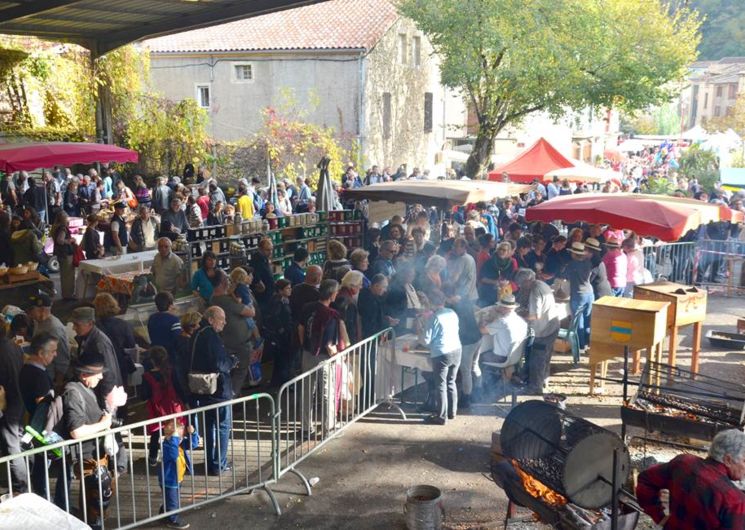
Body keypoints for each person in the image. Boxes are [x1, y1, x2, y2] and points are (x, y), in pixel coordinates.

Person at [636, 429, 745, 529]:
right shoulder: (734, 500)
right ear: (728, 460)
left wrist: (660, 518)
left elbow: (645, 481)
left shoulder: (683, 463)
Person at [61, 352, 115, 529]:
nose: (101, 376)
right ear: (83, 374)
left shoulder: (85, 389)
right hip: (87, 458)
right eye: (96, 373)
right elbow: (77, 431)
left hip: (95, 456)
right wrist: (103, 424)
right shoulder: (73, 392)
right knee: (94, 505)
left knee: (97, 503)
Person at [298, 280, 347, 437]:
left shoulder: (307, 308)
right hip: (324, 357)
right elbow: (329, 343)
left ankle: (306, 427)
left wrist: (305, 345)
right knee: (327, 391)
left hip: (307, 353)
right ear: (332, 294)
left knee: (307, 390)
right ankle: (328, 427)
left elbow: (300, 327)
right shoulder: (332, 315)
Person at [189, 306, 235, 475]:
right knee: (222, 426)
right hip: (218, 390)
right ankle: (219, 464)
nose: (224, 322)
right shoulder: (211, 337)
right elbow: (220, 364)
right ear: (210, 319)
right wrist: (231, 362)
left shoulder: (197, 334)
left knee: (209, 427)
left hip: (202, 389)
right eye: (221, 318)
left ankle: (211, 462)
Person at [418, 289, 461, 426]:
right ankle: (452, 412)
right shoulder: (452, 313)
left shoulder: (434, 317)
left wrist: (420, 333)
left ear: (431, 303)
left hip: (442, 353)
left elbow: (425, 340)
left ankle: (441, 417)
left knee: (440, 385)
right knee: (451, 382)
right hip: (456, 349)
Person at [212, 269, 257, 394]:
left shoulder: (214, 299)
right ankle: (231, 397)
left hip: (226, 342)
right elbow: (251, 312)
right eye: (226, 278)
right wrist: (249, 302)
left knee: (230, 370)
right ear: (223, 282)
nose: (229, 281)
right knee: (240, 371)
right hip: (239, 344)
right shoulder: (225, 301)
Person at [514, 269, 559, 393]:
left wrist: (518, 315)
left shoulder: (535, 291)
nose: (521, 287)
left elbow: (535, 315)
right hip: (552, 326)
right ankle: (544, 381)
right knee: (545, 357)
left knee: (537, 359)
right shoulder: (541, 283)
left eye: (522, 284)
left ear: (528, 281)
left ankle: (535, 388)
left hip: (544, 329)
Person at [142, 346, 185, 468]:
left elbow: (144, 395)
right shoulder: (171, 372)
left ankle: (153, 457)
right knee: (174, 432)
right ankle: (175, 455)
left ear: (152, 360)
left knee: (155, 433)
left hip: (156, 408)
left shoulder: (147, 376)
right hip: (172, 407)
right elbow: (179, 388)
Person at [158, 419, 199, 529]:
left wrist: (193, 433)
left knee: (171, 499)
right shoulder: (168, 445)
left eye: (181, 437)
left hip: (177, 478)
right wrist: (175, 438)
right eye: (178, 437)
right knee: (173, 501)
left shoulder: (178, 444)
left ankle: (164, 514)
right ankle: (173, 520)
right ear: (169, 437)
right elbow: (173, 455)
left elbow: (193, 444)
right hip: (169, 479)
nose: (181, 439)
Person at [0, 324, 26, 493]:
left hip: (7, 402)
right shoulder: (14, 347)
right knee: (14, 442)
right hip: (18, 399)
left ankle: (21, 486)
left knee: (12, 445)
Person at [27, 292, 70, 390]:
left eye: (31, 310)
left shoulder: (54, 329)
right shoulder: (39, 321)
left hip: (48, 375)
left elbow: (62, 359)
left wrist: (58, 384)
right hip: (38, 367)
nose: (29, 313)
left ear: (42, 311)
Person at [93, 293, 136, 385]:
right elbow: (131, 345)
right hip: (121, 364)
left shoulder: (94, 327)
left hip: (101, 366)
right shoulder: (124, 325)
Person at [563, 242, 594, 352]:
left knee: (578, 320)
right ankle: (587, 343)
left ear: (574, 254)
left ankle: (580, 346)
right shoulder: (588, 263)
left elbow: (564, 276)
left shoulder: (572, 265)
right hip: (589, 293)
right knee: (587, 318)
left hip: (578, 294)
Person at [266, 278, 294, 386]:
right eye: (287, 288)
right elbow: (275, 317)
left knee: (280, 360)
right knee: (283, 360)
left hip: (281, 334)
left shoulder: (281, 299)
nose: (290, 290)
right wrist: (282, 330)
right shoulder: (279, 301)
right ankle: (284, 382)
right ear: (280, 290)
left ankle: (277, 381)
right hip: (281, 336)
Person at [479, 242, 517, 306]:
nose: (501, 251)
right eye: (500, 249)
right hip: (489, 293)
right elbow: (482, 278)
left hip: (505, 293)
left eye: (504, 250)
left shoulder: (511, 263)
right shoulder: (490, 262)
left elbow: (513, 278)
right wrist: (495, 282)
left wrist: (506, 282)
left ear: (508, 252)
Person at [148, 292, 183, 356]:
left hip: (155, 354)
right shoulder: (174, 320)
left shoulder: (151, 318)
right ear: (171, 305)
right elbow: (177, 340)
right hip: (170, 355)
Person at [447, 238, 479, 303]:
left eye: (456, 246)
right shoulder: (470, 257)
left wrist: (446, 284)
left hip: (463, 297)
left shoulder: (462, 259)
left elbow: (455, 278)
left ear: (464, 247)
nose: (454, 248)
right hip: (472, 295)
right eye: (454, 245)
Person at [251, 237, 275, 312]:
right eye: (267, 250)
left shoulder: (265, 259)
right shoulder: (257, 259)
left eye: (271, 249)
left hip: (268, 293)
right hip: (262, 297)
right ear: (260, 249)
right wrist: (260, 284)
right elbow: (255, 273)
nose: (270, 252)